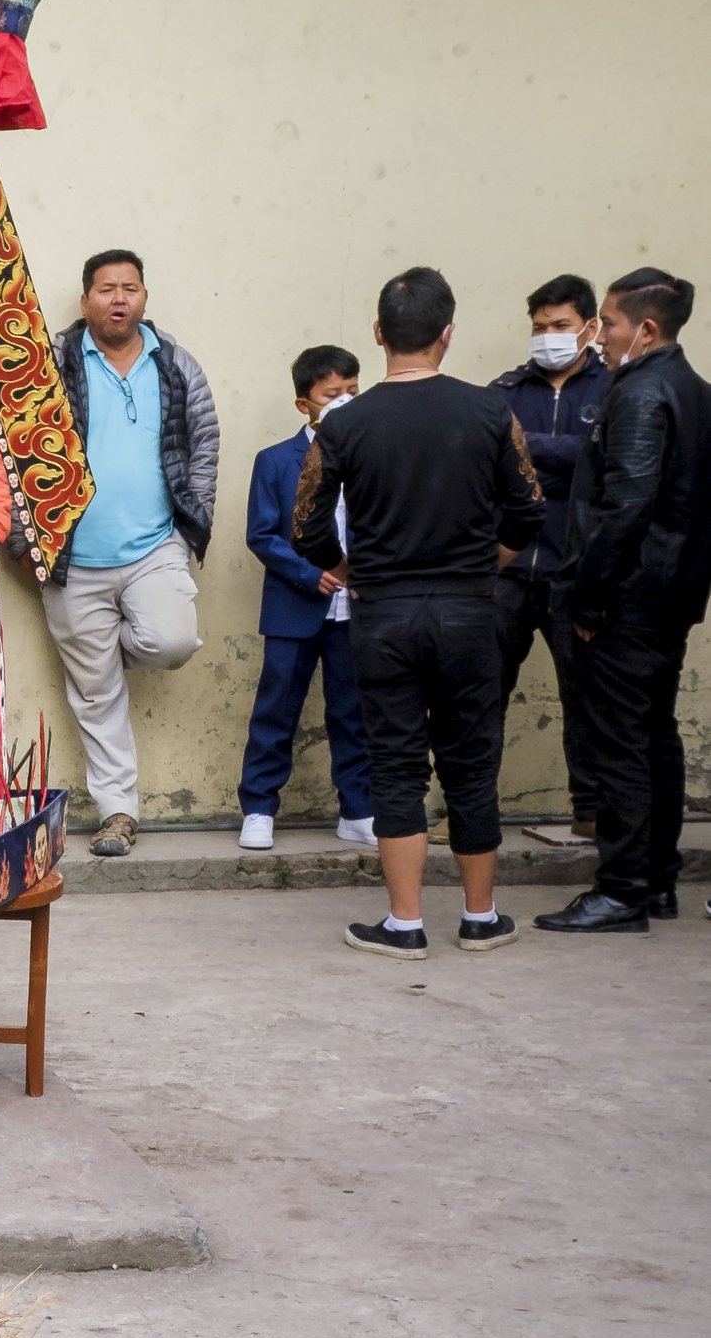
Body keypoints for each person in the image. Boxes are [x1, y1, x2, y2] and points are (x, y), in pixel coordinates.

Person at [293, 265, 543, 956]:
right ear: (448, 334)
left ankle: (404, 923)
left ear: (379, 334)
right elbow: (529, 509)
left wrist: (349, 567)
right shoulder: (490, 411)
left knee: (396, 763)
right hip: (471, 612)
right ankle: (481, 916)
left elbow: (307, 524)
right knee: (471, 759)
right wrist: (483, 563)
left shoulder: (346, 424)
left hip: (384, 615)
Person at [534, 267, 711, 936]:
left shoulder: (640, 395)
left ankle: (622, 891)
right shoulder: (696, 392)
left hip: (627, 604)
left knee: (620, 747)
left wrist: (587, 600)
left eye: (605, 322)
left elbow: (626, 508)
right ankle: (657, 883)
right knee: (654, 737)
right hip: (669, 600)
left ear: (646, 329)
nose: (595, 335)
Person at [40, 249, 218, 858]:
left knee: (170, 642)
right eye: (107, 289)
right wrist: (24, 540)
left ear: (145, 297)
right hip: (71, 558)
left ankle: (105, 648)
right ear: (85, 298)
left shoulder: (174, 364)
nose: (120, 298)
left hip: (154, 547)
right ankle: (119, 814)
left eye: (131, 288)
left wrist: (194, 520)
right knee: (96, 696)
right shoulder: (54, 361)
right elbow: (16, 445)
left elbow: (204, 442)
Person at [236, 345, 377, 850]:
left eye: (353, 392)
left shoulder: (372, 455)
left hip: (355, 606)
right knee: (276, 709)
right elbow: (262, 534)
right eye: (332, 394)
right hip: (295, 605)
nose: (345, 401)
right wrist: (308, 572)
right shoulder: (275, 461)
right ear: (305, 403)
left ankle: (358, 809)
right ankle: (258, 807)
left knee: (352, 710)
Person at [490, 276, 612, 842]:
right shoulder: (506, 389)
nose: (548, 337)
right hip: (507, 571)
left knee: (584, 700)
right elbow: (489, 459)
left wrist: (529, 446)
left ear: (589, 327)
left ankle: (589, 810)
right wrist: (569, 455)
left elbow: (602, 462)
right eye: (539, 328)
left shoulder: (614, 389)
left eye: (559, 326)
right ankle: (468, 808)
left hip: (576, 573)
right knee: (479, 693)